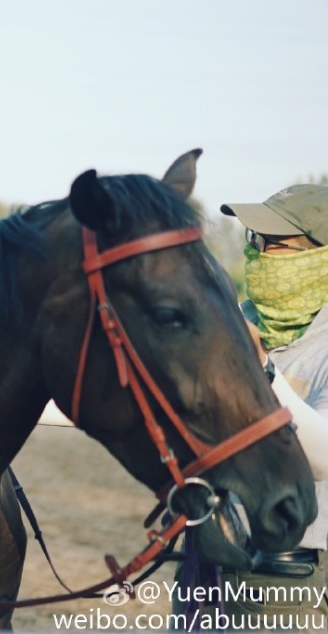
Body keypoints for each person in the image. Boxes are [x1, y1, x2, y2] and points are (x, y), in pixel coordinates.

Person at [176, 184, 328, 631]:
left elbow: (323, 459)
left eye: (275, 244)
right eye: (253, 241)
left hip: (290, 577)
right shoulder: (238, 321)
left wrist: (260, 368)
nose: (258, 255)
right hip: (204, 565)